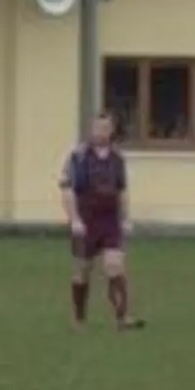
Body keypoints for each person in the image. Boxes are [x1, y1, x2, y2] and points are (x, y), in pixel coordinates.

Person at [61, 111, 143, 332]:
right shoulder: (78, 156)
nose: (101, 132)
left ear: (112, 131)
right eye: (98, 128)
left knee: (114, 265)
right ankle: (79, 319)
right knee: (82, 270)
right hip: (87, 220)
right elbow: (67, 190)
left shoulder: (118, 159)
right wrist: (75, 219)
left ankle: (122, 318)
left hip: (110, 221)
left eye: (106, 128)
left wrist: (126, 218)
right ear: (91, 129)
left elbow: (122, 191)